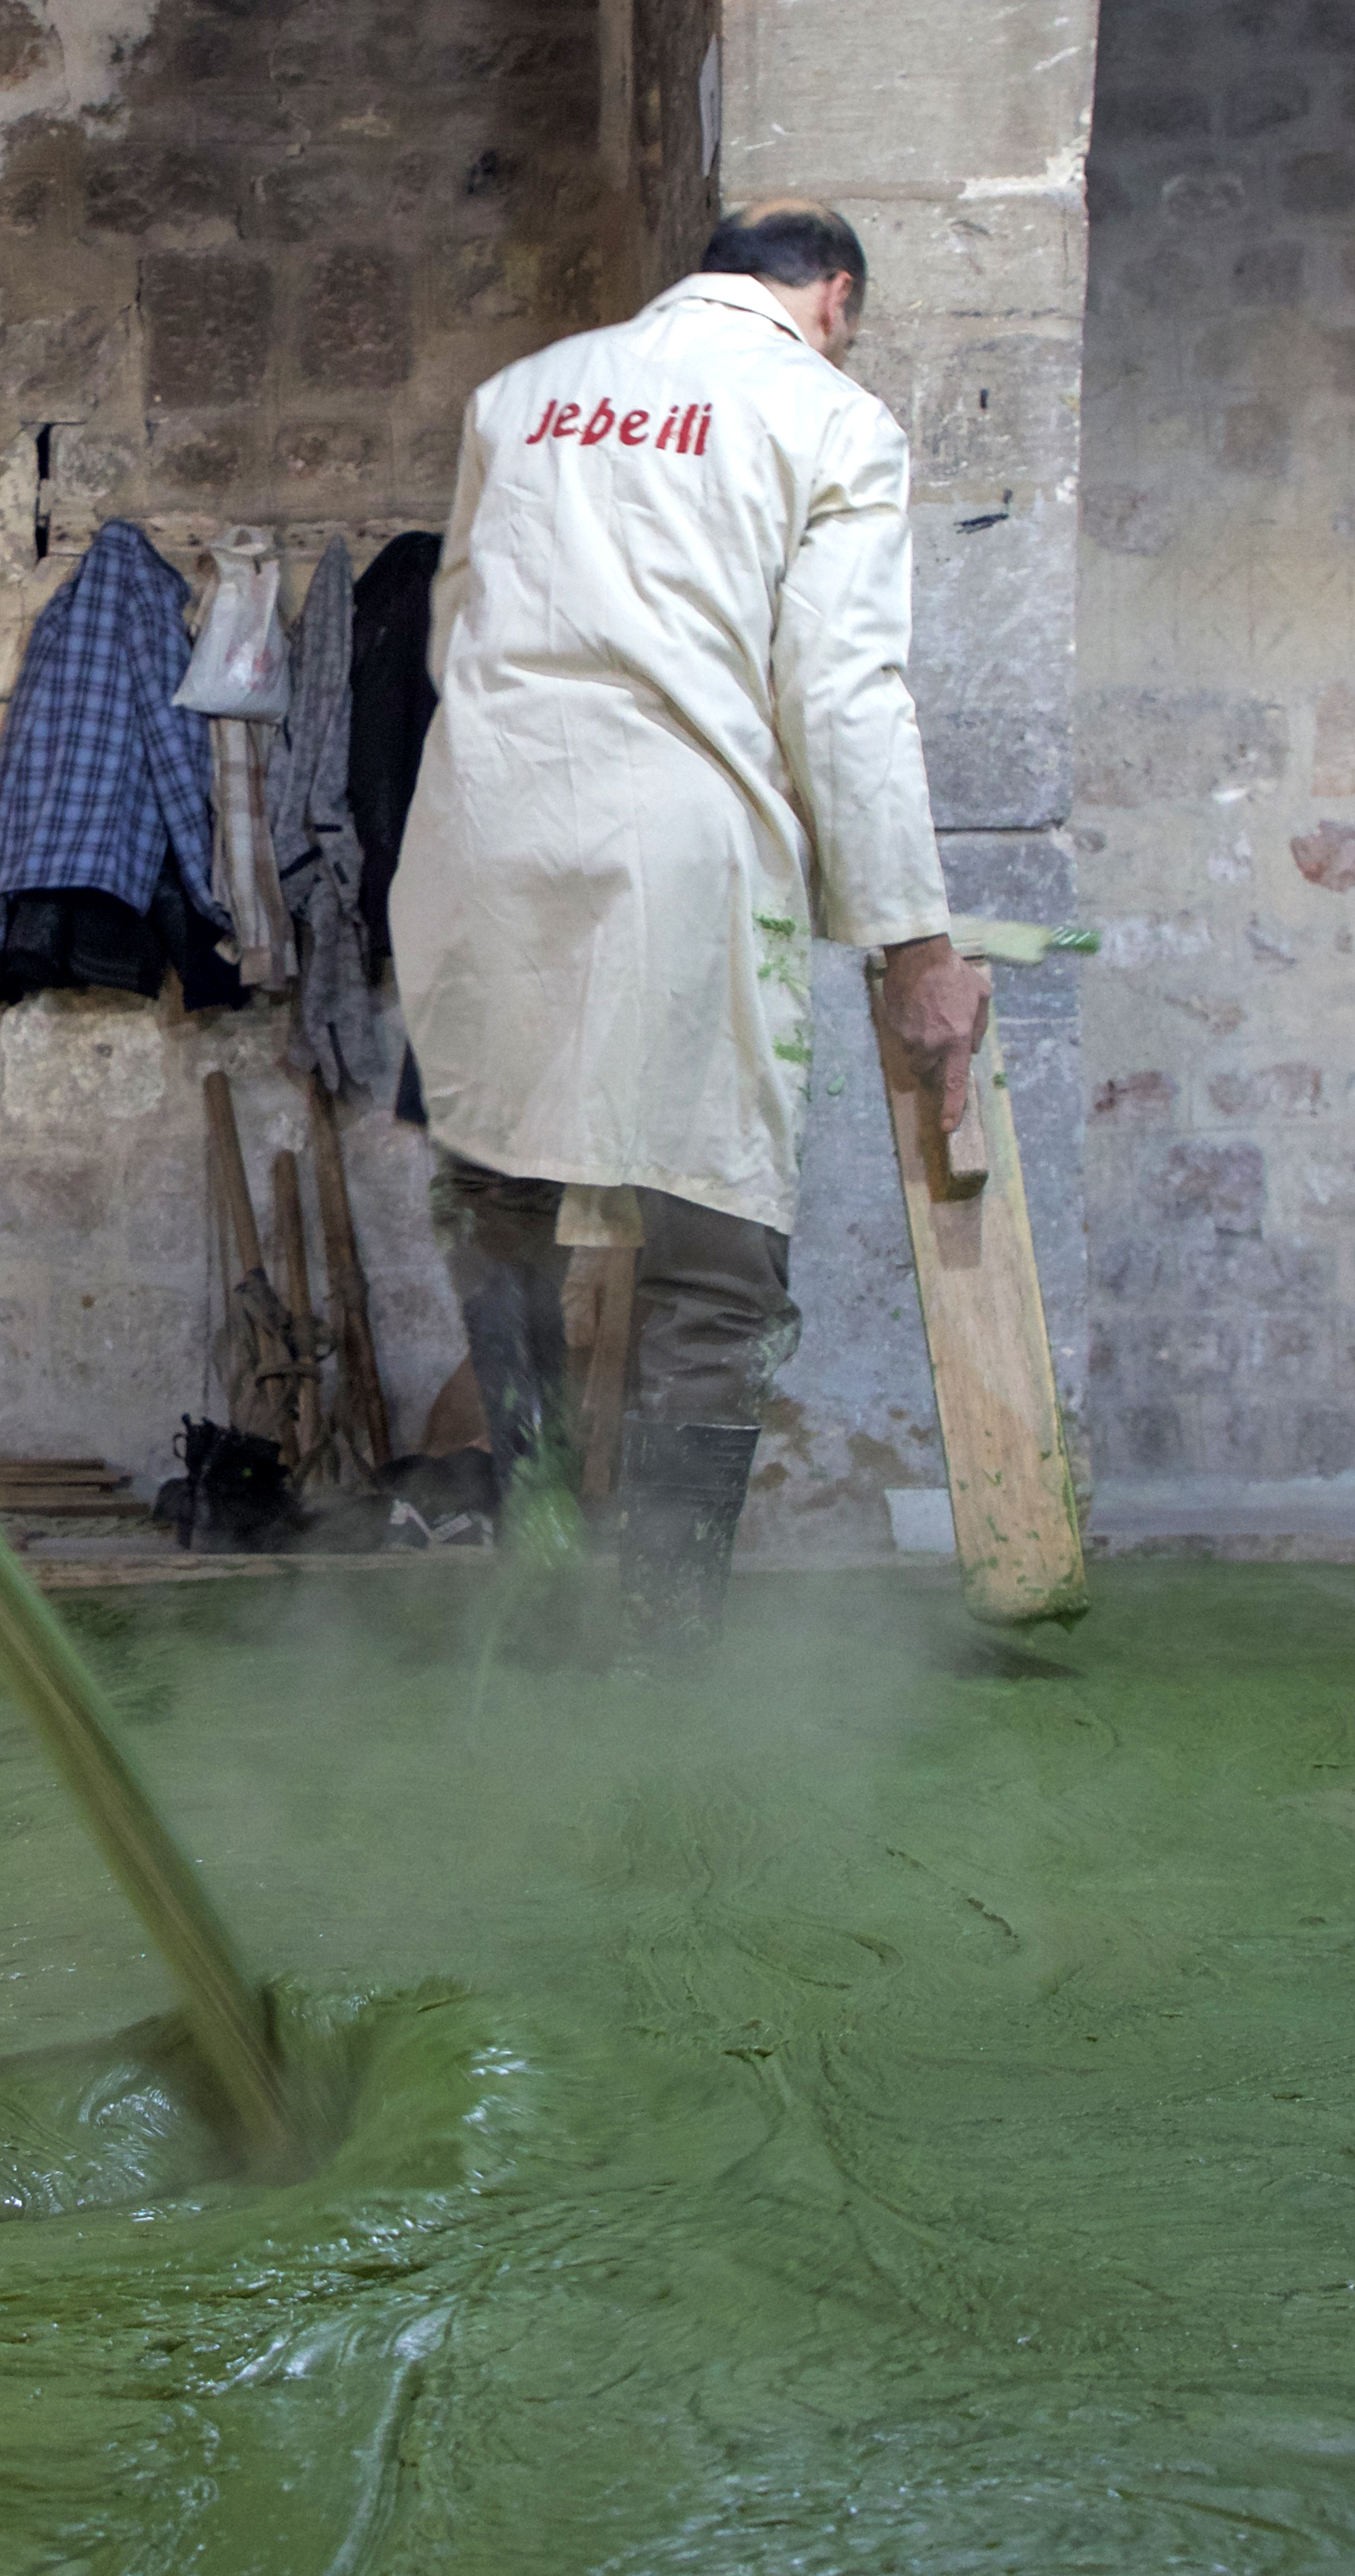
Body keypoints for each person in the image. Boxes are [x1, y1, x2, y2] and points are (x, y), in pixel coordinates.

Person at [392, 202, 991, 1642]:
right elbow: (843, 694)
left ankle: (533, 1540)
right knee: (712, 1248)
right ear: (831, 297)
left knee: (504, 1198)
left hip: (484, 828)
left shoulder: (520, 396)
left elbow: (454, 623)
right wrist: (914, 943)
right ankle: (664, 1639)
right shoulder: (828, 416)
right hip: (678, 845)